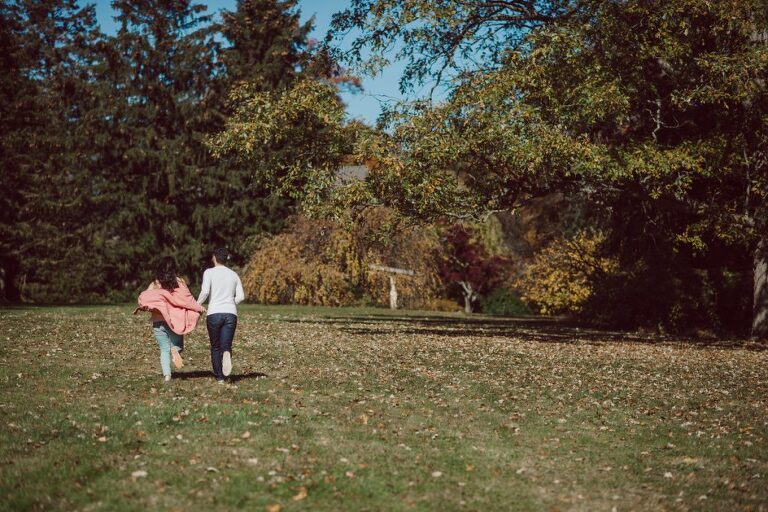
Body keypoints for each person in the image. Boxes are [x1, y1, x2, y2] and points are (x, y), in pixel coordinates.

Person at [135, 256, 204, 382]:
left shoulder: (155, 284)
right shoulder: (179, 282)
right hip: (174, 321)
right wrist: (198, 308)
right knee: (178, 346)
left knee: (163, 349)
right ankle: (174, 351)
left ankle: (167, 376)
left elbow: (145, 298)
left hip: (157, 322)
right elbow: (187, 299)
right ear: (174, 269)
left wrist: (146, 306)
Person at [197, 248, 244, 383]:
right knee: (226, 344)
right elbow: (241, 296)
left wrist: (196, 304)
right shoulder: (234, 274)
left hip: (214, 313)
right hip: (230, 313)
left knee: (215, 346)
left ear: (214, 258)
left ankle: (219, 378)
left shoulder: (209, 272)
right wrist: (230, 302)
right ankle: (227, 353)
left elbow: (205, 292)